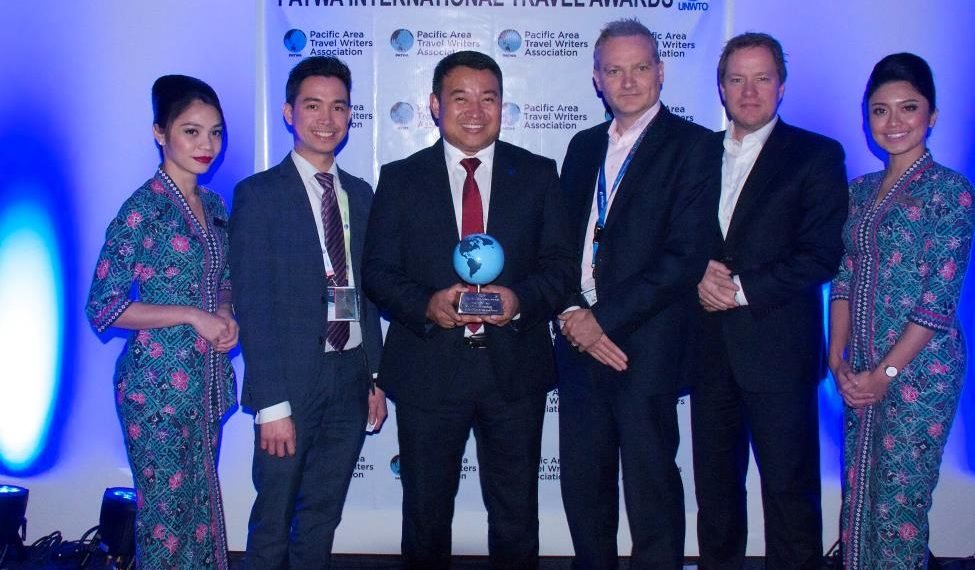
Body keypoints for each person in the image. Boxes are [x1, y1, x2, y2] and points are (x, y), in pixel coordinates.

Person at [362, 50, 576, 570]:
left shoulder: (539, 174)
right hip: (428, 369)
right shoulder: (400, 178)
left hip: (513, 371)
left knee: (516, 515)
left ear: (503, 104)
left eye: (489, 97)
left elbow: (561, 268)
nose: (475, 110)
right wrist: (427, 304)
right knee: (426, 517)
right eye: (460, 97)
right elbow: (378, 273)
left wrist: (520, 299)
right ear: (435, 105)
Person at [555, 19, 713, 569]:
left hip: (646, 345)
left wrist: (605, 319)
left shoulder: (693, 147)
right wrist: (575, 313)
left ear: (661, 72)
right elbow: (558, 245)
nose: (627, 81)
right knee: (583, 484)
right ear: (596, 79)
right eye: (614, 70)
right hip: (576, 344)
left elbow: (685, 255)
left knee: (650, 485)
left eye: (640, 68)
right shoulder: (580, 148)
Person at [690, 33, 849, 569]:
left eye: (762, 78)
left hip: (779, 354)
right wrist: (696, 277)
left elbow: (822, 254)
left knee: (789, 497)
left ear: (781, 86)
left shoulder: (817, 154)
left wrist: (739, 288)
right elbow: (676, 242)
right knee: (715, 501)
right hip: (709, 356)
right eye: (737, 78)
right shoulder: (695, 155)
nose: (749, 91)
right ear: (721, 87)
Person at [228, 56, 386, 569]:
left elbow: (367, 294)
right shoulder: (258, 195)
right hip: (290, 383)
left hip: (350, 374)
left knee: (322, 514)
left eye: (338, 106)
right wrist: (271, 404)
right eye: (313, 105)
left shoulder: (360, 195)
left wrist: (376, 377)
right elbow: (253, 304)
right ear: (288, 112)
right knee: (273, 517)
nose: (327, 118)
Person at [829, 52, 974, 570]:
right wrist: (837, 362)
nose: (893, 122)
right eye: (879, 110)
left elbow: (939, 299)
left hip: (920, 371)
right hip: (860, 369)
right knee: (860, 494)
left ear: (931, 116)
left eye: (908, 108)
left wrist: (886, 374)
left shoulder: (950, 191)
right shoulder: (860, 191)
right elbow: (843, 280)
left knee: (899, 504)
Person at [86, 74, 237, 569]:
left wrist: (224, 312)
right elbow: (103, 306)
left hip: (205, 385)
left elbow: (225, 279)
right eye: (191, 131)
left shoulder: (214, 205)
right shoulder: (143, 208)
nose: (206, 144)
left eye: (215, 132)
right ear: (160, 133)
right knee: (166, 522)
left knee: (199, 513)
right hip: (155, 389)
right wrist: (192, 316)